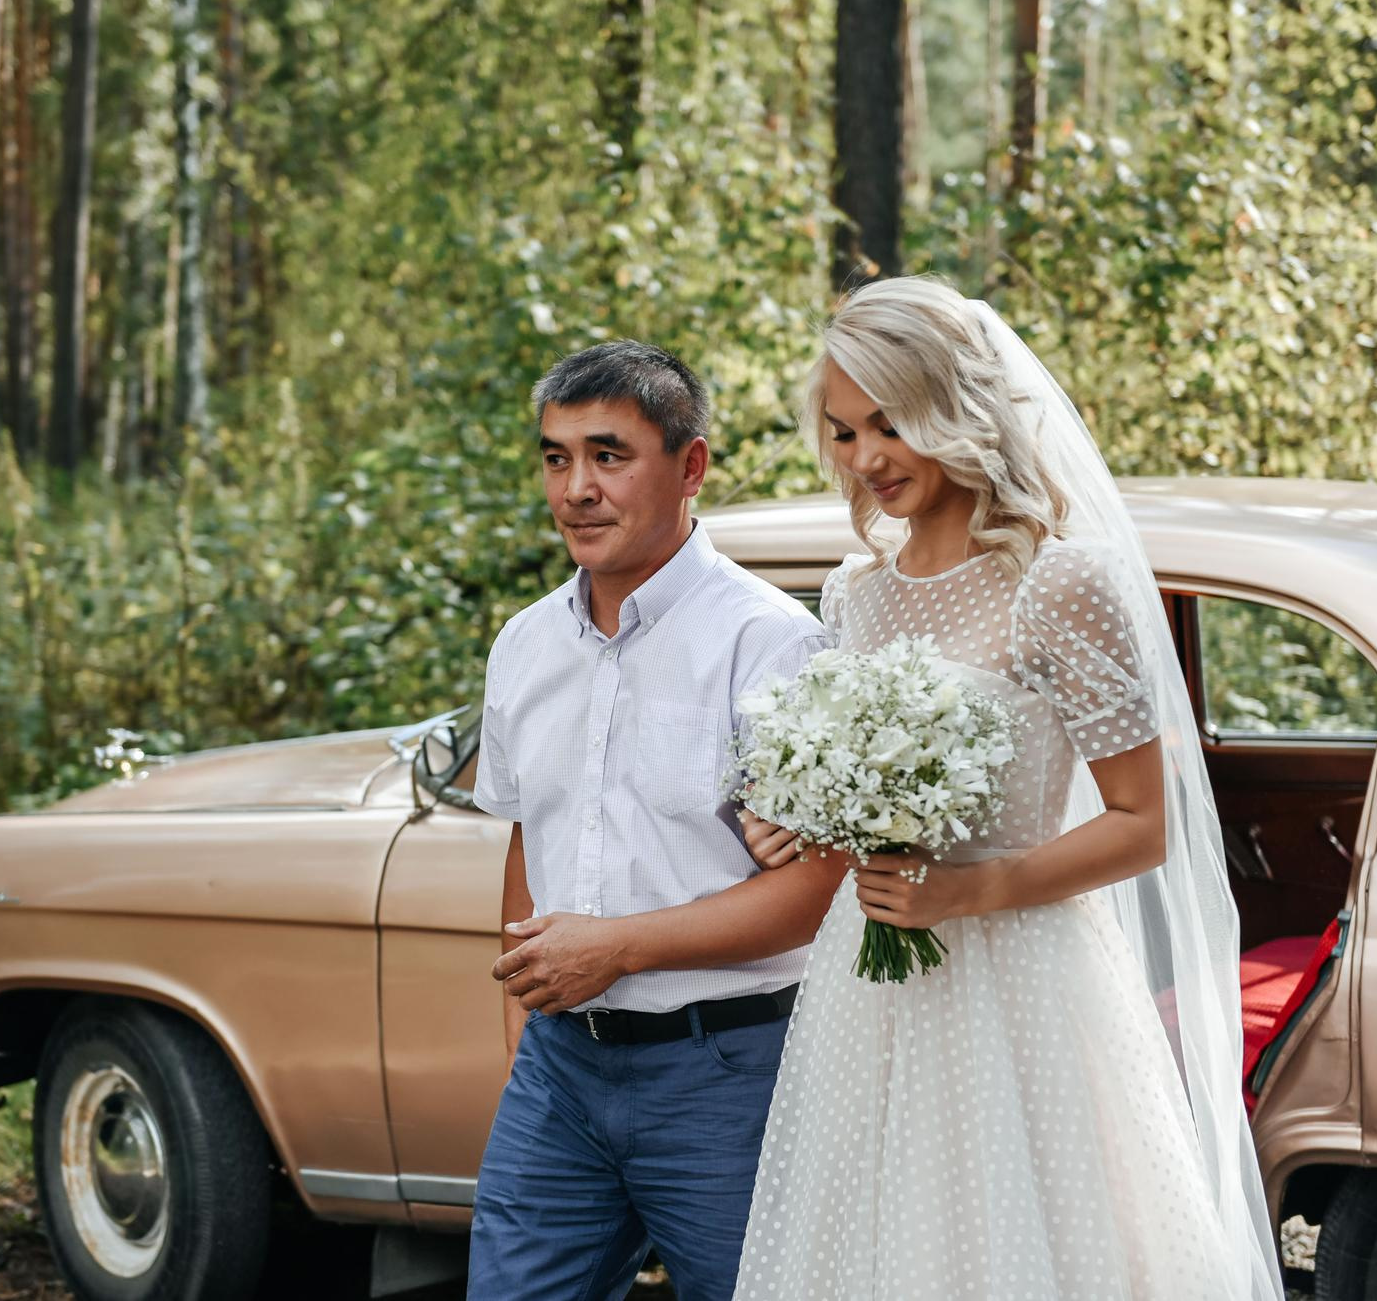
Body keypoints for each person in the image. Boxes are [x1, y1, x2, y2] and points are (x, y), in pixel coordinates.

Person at [733, 277, 1285, 1300]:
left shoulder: (1057, 582)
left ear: (958, 409)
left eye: (890, 424)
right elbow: (857, 797)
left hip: (1022, 979)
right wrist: (798, 815)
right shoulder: (854, 591)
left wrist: (968, 893)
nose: (866, 459)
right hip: (868, 985)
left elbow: (1138, 827)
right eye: (844, 432)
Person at [468, 340, 844, 1301]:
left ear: (691, 466)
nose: (576, 488)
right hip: (558, 1077)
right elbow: (530, 836)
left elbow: (810, 894)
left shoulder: (769, 643)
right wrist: (529, 1015)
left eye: (608, 455)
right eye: (556, 458)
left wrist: (619, 950)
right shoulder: (523, 645)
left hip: (730, 1071)